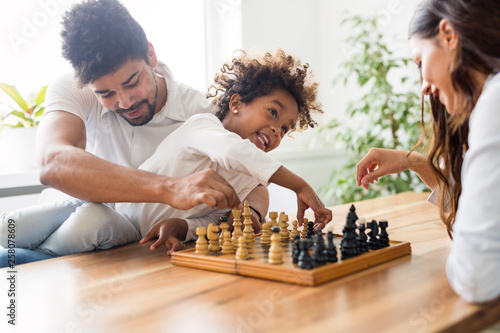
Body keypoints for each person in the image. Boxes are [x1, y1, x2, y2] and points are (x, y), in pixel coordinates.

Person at [0, 0, 239, 265]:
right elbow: (52, 162)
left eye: (132, 83)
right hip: (67, 215)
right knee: (10, 227)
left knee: (86, 224)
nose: (125, 102)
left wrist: (254, 212)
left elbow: (249, 178)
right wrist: (169, 188)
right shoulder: (74, 88)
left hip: (120, 241)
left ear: (151, 55)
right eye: (106, 93)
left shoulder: (201, 112)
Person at [117, 49, 332, 254]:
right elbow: (235, 151)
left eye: (285, 128)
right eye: (273, 112)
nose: (277, 130)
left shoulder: (247, 177)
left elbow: (214, 220)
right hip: (120, 222)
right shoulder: (202, 125)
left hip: (143, 242)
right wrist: (299, 185)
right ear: (236, 103)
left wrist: (181, 227)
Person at [356, 0, 500, 303]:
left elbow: (475, 278)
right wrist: (416, 162)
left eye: (420, 62)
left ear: (448, 34)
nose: (423, 86)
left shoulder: (494, 104)